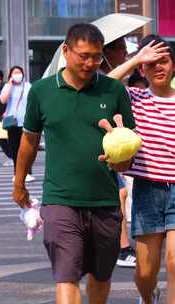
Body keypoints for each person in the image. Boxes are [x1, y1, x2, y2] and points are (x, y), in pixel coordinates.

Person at [13, 23, 136, 304]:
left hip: (104, 202)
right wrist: (18, 184)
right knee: (66, 276)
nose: (91, 63)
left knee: (101, 276)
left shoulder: (114, 91)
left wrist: (121, 161)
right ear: (66, 51)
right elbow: (28, 142)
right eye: (84, 56)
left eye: (96, 56)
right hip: (60, 200)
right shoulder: (42, 91)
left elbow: (130, 148)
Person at [108, 34, 174, 304]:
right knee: (145, 272)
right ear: (142, 69)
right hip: (148, 190)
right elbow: (100, 85)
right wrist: (136, 58)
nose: (158, 67)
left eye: (165, 61)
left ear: (174, 66)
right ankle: (148, 297)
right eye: (152, 63)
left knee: (173, 261)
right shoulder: (134, 97)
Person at [100, 36, 138, 268]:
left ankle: (121, 247)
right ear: (108, 53)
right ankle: (121, 248)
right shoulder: (99, 82)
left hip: (117, 150)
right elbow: (107, 84)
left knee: (121, 195)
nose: (126, 54)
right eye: (122, 50)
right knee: (120, 195)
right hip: (103, 151)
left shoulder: (115, 83)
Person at [0, 66, 34, 182]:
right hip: (12, 122)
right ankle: (16, 173)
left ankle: (28, 172)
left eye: (19, 72)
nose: (17, 74)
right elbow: (3, 100)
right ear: (10, 75)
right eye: (15, 73)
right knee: (15, 148)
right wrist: (9, 85)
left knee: (26, 148)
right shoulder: (7, 86)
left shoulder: (28, 86)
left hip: (26, 121)